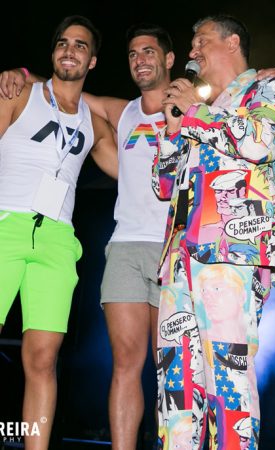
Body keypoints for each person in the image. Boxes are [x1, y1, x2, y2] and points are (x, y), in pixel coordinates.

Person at [0, 24, 275, 450]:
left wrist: (194, 109)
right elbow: (68, 88)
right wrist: (23, 75)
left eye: (150, 51)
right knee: (167, 376)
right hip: (158, 254)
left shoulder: (241, 95)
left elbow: (259, 139)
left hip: (217, 254)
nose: (140, 60)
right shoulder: (128, 112)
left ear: (169, 59)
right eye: (132, 53)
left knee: (220, 375)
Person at [153, 14, 275, 448]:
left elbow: (258, 142)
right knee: (175, 388)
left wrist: (195, 113)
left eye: (201, 41)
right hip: (179, 261)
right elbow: (163, 186)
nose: (192, 51)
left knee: (228, 381)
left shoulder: (270, 87)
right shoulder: (196, 111)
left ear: (232, 42)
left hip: (232, 255)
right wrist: (173, 128)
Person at [0, 15, 117, 450]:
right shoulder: (18, 92)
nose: (70, 50)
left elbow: (133, 173)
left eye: (81, 45)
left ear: (92, 61)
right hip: (6, 225)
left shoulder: (94, 122)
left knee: (43, 359)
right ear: (53, 53)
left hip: (57, 240)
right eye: (63, 43)